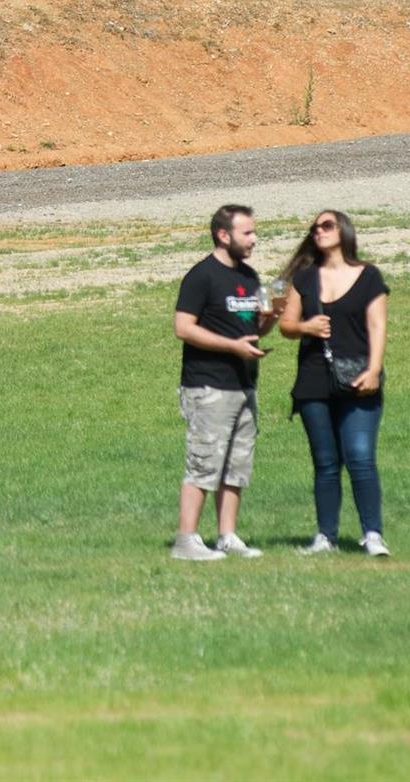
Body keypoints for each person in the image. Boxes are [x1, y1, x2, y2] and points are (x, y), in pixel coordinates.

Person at [273, 210, 391, 557]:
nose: (319, 231)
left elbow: (377, 326)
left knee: (360, 457)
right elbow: (286, 326)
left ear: (344, 231)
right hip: (313, 381)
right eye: (315, 227)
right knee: (325, 463)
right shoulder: (306, 279)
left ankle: (372, 534)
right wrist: (306, 328)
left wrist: (374, 369)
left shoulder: (369, 276)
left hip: (359, 379)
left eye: (327, 225)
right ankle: (326, 537)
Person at [170, 203, 277, 561]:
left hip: (244, 385)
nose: (254, 239)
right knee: (204, 462)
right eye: (247, 233)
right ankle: (186, 540)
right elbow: (183, 328)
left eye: (254, 232)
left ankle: (227, 536)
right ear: (223, 234)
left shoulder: (249, 276)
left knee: (236, 464)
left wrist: (271, 318)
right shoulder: (202, 276)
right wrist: (233, 346)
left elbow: (253, 328)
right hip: (208, 385)